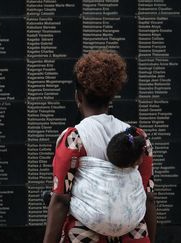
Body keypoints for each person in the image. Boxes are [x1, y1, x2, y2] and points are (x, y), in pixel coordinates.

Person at [43, 51, 156, 243]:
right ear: (111, 96)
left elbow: (61, 200)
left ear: (78, 97)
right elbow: (149, 197)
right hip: (134, 236)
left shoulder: (74, 139)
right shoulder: (137, 137)